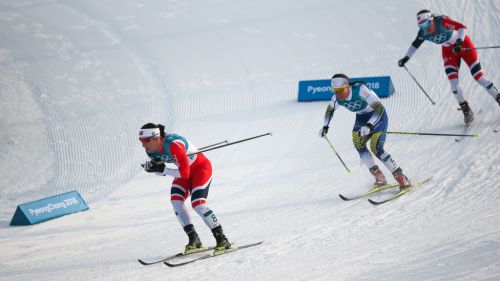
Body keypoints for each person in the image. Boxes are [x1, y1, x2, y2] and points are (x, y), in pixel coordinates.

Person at [139, 123, 231, 252]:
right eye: (141, 140)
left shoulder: (174, 145)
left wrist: (163, 169)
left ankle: (222, 239)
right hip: (183, 173)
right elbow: (162, 171)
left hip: (200, 169)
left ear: (156, 138)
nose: (143, 144)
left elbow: (183, 173)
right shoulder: (151, 150)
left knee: (198, 204)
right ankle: (194, 239)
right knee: (176, 201)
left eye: (146, 140)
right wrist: (153, 169)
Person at [398, 9, 500, 125]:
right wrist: (406, 58)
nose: (425, 28)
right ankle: (466, 110)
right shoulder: (423, 33)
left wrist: (459, 42)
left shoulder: (441, 22)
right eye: (421, 26)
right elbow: (415, 44)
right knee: (454, 85)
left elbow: (462, 28)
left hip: (463, 45)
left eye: (426, 23)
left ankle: (498, 98)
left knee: (479, 78)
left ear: (431, 19)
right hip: (449, 52)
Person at [319, 73, 411, 190]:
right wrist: (325, 126)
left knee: (376, 148)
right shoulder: (336, 98)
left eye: (340, 90)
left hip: (377, 115)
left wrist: (369, 125)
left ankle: (401, 177)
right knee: (358, 143)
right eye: (335, 91)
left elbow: (379, 108)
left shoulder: (360, 90)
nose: (338, 94)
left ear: (347, 86)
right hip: (362, 117)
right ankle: (379, 176)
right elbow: (330, 109)